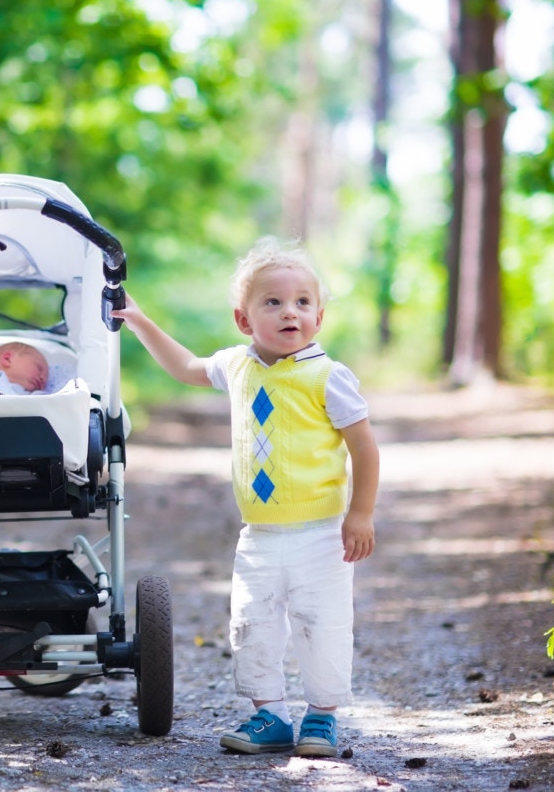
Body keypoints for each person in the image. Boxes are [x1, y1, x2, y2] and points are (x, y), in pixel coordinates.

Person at [114, 236, 379, 758]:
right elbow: (186, 367)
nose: (290, 313)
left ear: (319, 319)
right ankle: (271, 715)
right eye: (273, 302)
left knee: (321, 625)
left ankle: (321, 717)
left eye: (303, 302)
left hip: (322, 533)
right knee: (252, 623)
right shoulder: (237, 365)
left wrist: (361, 513)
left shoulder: (327, 377)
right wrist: (141, 321)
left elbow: (365, 449)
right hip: (258, 535)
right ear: (244, 320)